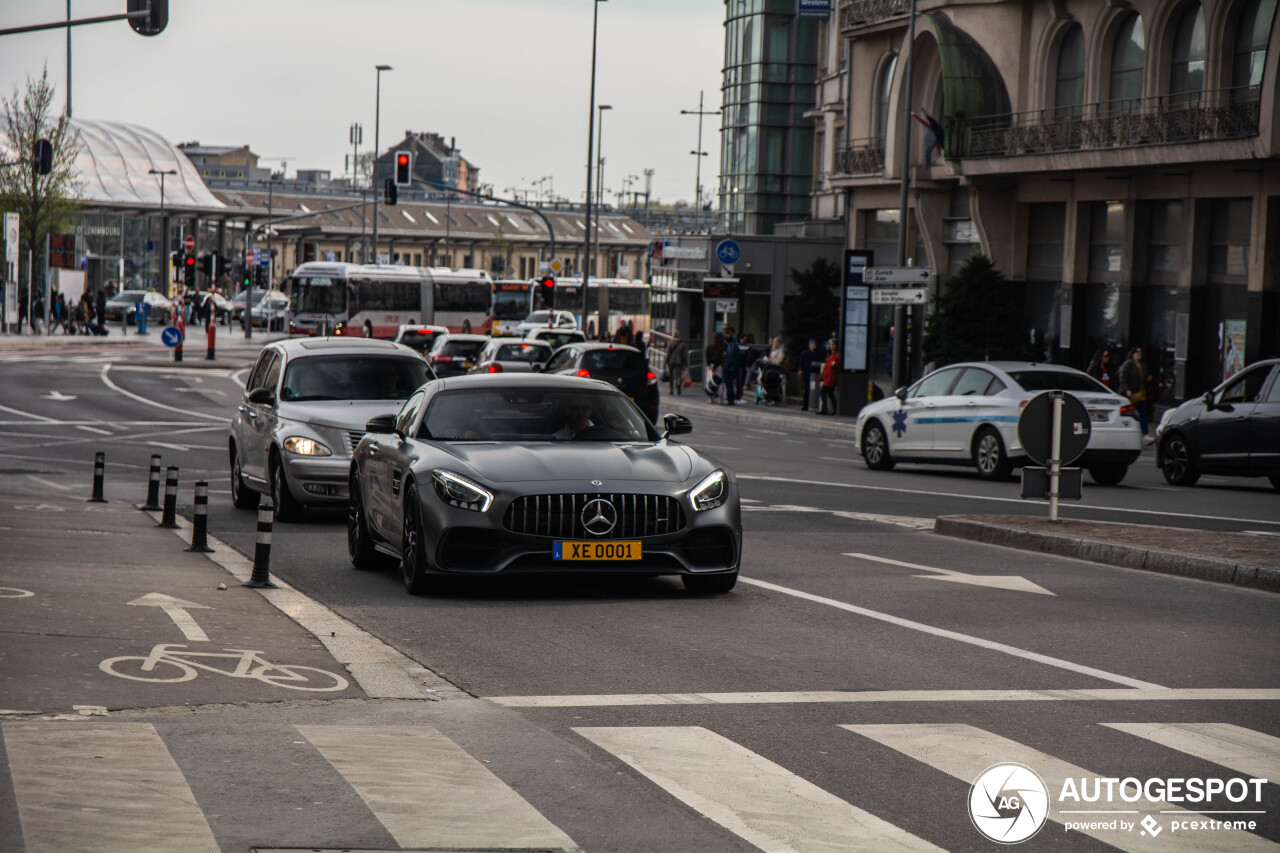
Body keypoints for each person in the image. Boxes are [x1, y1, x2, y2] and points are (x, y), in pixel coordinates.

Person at [1118, 345, 1153, 445]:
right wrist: (1127, 389)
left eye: (1140, 352)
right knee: (1128, 415)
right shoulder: (1128, 364)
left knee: (1143, 414)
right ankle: (1124, 434)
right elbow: (1122, 377)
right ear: (1133, 354)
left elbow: (1144, 378)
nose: (1140, 354)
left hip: (1141, 394)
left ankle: (1145, 436)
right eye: (1137, 352)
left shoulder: (1142, 365)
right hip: (1131, 394)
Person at [722, 327, 743, 405]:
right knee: (730, 384)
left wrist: (725, 367)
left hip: (730, 369)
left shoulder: (731, 346)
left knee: (729, 384)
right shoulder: (734, 345)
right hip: (733, 368)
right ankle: (731, 398)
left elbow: (729, 358)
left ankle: (730, 399)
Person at [799, 338, 821, 412]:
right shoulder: (805, 353)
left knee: (813, 388)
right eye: (811, 344)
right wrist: (800, 369)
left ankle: (813, 404)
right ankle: (805, 405)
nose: (813, 346)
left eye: (814, 344)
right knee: (807, 389)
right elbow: (801, 362)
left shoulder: (817, 353)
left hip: (815, 373)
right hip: (807, 372)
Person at [819, 339, 839, 415]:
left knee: (824, 392)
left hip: (831, 378)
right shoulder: (830, 354)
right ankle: (834, 409)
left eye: (833, 344)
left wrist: (834, 364)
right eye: (830, 344)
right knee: (830, 394)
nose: (831, 346)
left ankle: (825, 409)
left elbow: (835, 364)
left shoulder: (836, 355)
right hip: (828, 377)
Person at [666, 332, 688, 396]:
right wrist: (686, 363)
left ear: (673, 336)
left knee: (671, 376)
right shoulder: (682, 344)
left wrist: (666, 362)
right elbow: (684, 355)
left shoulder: (670, 343)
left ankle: (671, 390)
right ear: (679, 336)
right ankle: (678, 387)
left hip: (671, 361)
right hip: (679, 362)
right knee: (678, 375)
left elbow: (668, 354)